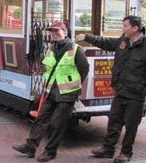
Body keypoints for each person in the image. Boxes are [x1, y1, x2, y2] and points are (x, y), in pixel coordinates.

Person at [76, 15, 146, 163]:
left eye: (125, 26)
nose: (123, 29)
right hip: (121, 90)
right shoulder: (124, 40)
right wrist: (87, 37)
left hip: (136, 94)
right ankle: (108, 149)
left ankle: (126, 153)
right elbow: (106, 42)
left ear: (135, 28)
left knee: (131, 125)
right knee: (114, 121)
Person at [12, 22, 89, 162]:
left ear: (65, 32)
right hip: (51, 92)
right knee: (40, 120)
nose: (54, 33)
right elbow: (48, 69)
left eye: (57, 31)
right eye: (52, 31)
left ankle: (50, 152)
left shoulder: (76, 49)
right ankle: (30, 147)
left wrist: (75, 86)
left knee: (56, 124)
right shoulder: (51, 48)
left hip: (67, 94)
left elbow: (84, 69)